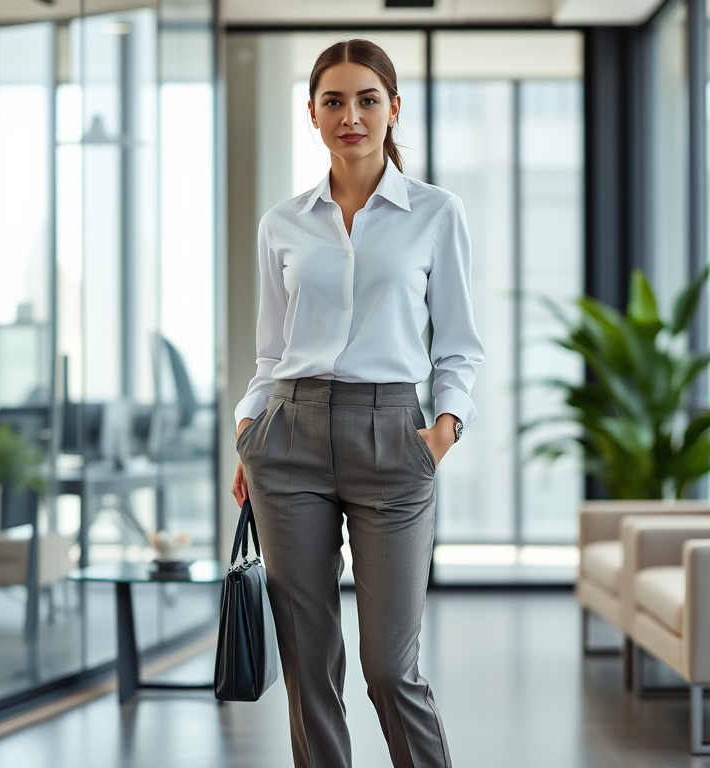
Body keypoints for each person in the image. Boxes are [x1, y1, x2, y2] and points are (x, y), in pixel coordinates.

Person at [231, 38, 484, 768]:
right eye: (334, 101)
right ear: (311, 113)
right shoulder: (283, 223)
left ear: (393, 108)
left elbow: (459, 345)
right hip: (289, 437)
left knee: (389, 668)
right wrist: (248, 429)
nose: (351, 115)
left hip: (393, 437)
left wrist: (441, 431)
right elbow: (271, 352)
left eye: (367, 99)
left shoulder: (436, 213)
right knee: (309, 666)